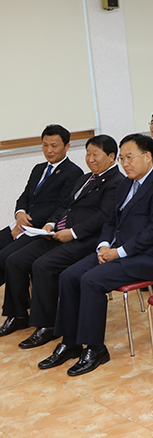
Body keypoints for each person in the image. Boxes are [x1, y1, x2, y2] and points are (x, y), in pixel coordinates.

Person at [36, 134, 153, 376]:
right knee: (69, 275)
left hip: (146, 257)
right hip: (114, 250)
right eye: (122, 159)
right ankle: (70, 342)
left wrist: (119, 252)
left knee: (91, 281)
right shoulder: (125, 183)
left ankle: (95, 348)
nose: (125, 164)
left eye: (130, 158)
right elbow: (111, 220)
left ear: (147, 157)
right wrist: (103, 245)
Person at [2, 135, 123, 348]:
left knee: (43, 266)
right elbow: (65, 206)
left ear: (111, 156)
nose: (90, 159)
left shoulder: (116, 182)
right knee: (15, 260)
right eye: (88, 153)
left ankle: (47, 325)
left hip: (84, 239)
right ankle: (18, 314)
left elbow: (103, 217)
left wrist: (72, 233)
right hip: (58, 233)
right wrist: (50, 224)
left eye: (96, 154)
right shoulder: (85, 178)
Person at [0, 124, 84, 325]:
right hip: (23, 222)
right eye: (45, 145)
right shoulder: (38, 169)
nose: (49, 150)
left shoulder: (73, 172)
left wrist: (30, 224)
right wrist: (20, 214)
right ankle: (19, 302)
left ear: (67, 146)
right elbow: (25, 197)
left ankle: (17, 313)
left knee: (7, 257)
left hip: (40, 229)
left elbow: (63, 206)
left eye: (54, 145)